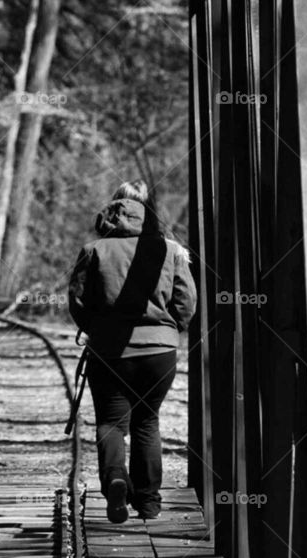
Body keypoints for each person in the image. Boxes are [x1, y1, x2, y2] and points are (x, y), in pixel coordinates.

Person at [68, 180, 197, 523]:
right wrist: (169, 331)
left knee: (111, 423)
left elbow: (79, 301)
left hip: (110, 352)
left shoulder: (93, 251)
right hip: (159, 354)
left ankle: (115, 479)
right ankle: (150, 503)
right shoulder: (169, 251)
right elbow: (187, 302)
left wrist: (95, 329)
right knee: (147, 422)